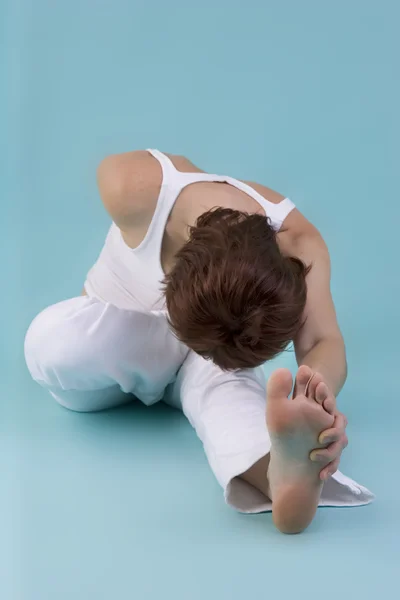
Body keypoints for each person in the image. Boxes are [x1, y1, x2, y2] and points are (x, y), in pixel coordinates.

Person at [24, 149, 373, 534]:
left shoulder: (301, 246)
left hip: (210, 368)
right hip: (111, 356)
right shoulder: (136, 184)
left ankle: (279, 476)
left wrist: (313, 393)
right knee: (52, 342)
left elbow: (323, 338)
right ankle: (208, 363)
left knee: (227, 395)